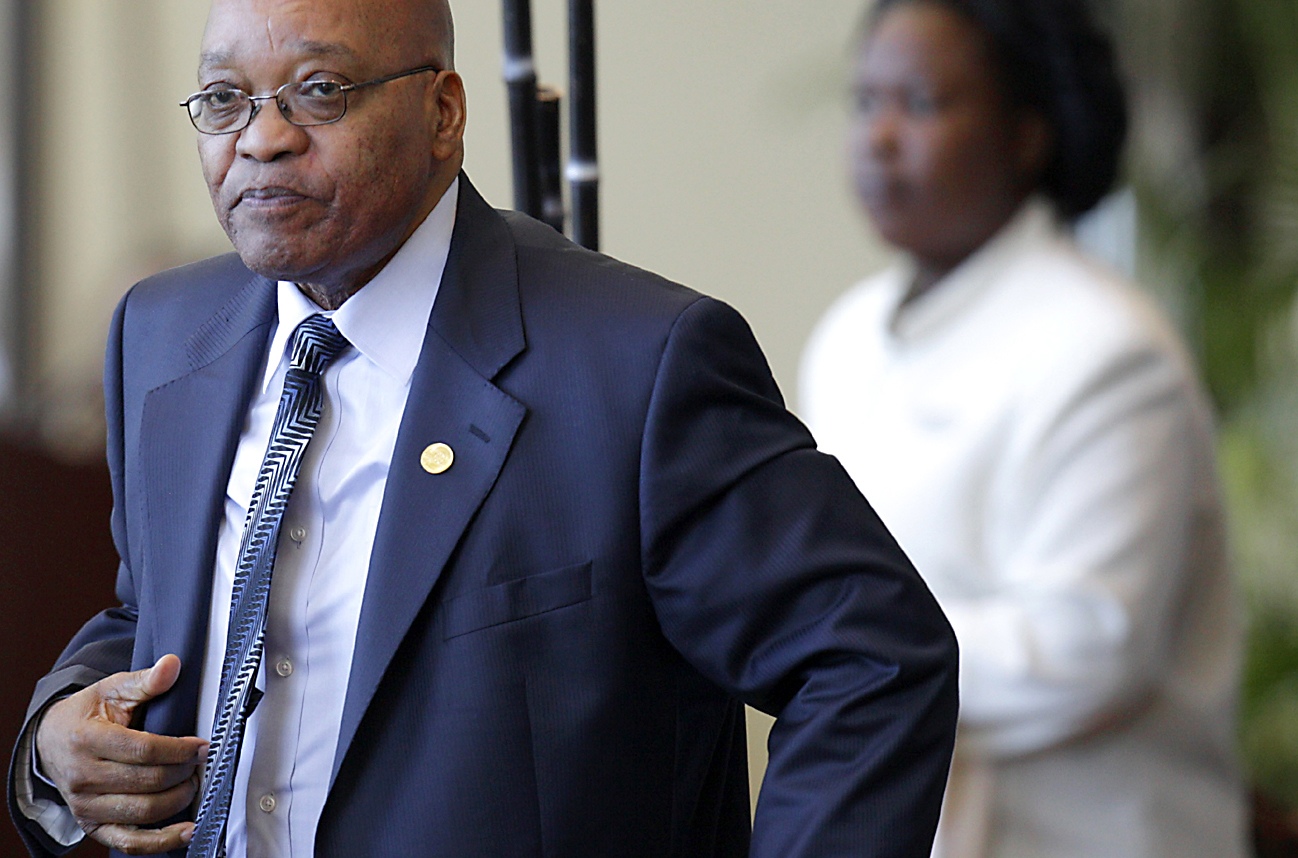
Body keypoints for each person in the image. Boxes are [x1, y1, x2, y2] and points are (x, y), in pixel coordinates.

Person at [7, 1, 960, 856]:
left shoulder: (638, 363)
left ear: (444, 114)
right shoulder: (162, 334)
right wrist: (56, 741)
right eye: (224, 99)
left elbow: (870, 658)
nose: (262, 140)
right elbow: (156, 608)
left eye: (319, 91)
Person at [799, 1, 1248, 856]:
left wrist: (840, 646)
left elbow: (1087, 649)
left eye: (921, 104)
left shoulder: (1106, 349)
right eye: (865, 102)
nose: (879, 137)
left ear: (1027, 134)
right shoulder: (848, 336)